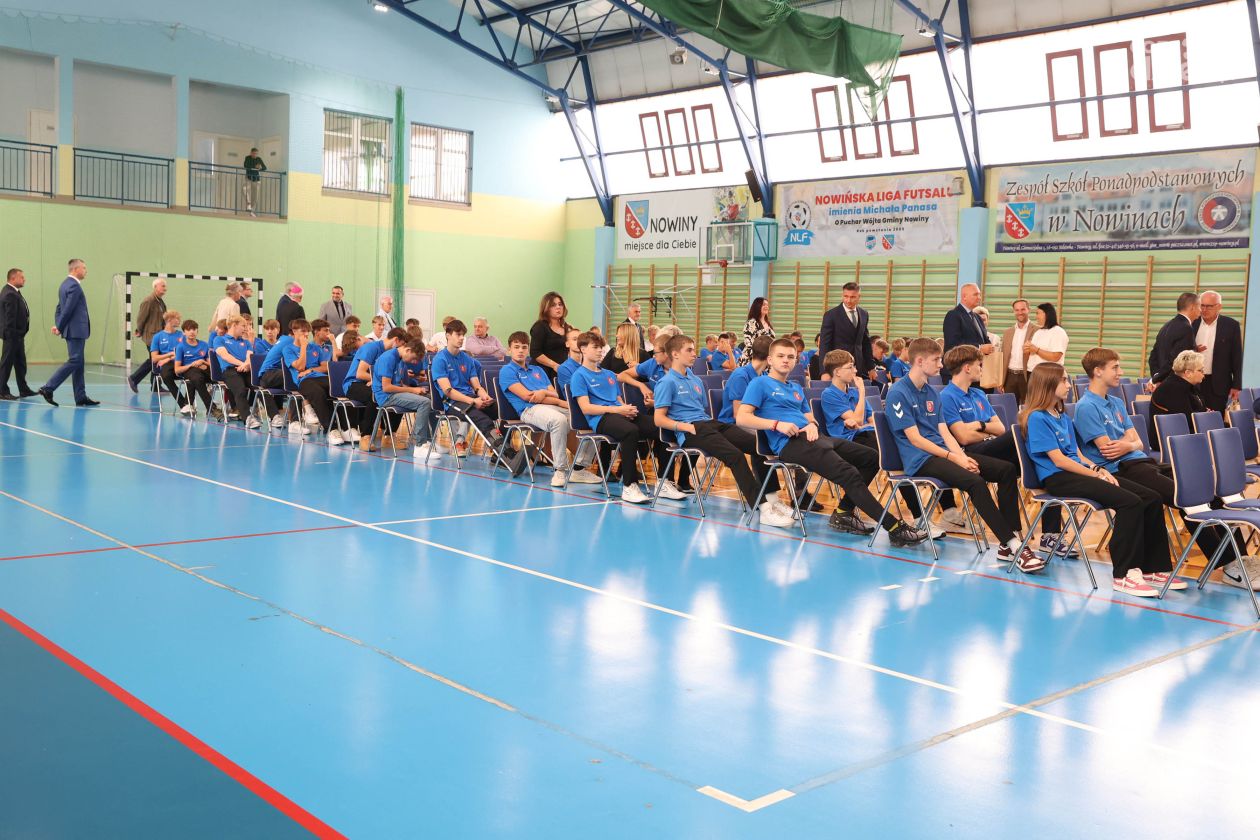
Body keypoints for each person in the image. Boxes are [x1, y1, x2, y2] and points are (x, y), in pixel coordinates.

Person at [1076, 346, 1248, 589]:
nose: (1120, 372)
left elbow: (1138, 441)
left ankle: (1242, 558)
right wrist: (1130, 442)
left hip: (1141, 461)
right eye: (1115, 368)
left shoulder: (1115, 402)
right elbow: (1108, 449)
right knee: (1187, 497)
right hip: (1121, 467)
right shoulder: (1086, 406)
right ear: (1097, 371)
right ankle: (1230, 565)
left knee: (1207, 487)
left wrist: (1129, 444)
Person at [736, 339, 926, 544]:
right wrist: (776, 425)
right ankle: (894, 528)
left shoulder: (796, 387)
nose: (786, 360)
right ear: (770, 359)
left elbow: (810, 418)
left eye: (790, 357)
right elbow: (742, 418)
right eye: (780, 356)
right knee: (849, 474)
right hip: (789, 443)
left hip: (815, 437)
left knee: (872, 458)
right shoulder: (759, 383)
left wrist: (812, 425)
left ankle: (844, 512)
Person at [1021, 363, 1173, 596]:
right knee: (1130, 502)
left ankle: (1152, 568)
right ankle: (1124, 574)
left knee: (1151, 497)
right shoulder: (1037, 418)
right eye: (1063, 380)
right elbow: (1060, 461)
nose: (1068, 385)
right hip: (1059, 478)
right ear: (1047, 384)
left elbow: (1077, 453)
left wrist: (1097, 468)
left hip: (1079, 472)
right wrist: (1096, 475)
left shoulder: (1062, 416)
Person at [885, 338, 1034, 568]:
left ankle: (1009, 540)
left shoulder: (931, 392)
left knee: (1006, 470)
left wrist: (962, 457)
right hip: (920, 458)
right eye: (936, 360)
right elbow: (915, 439)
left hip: (945, 454)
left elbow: (944, 433)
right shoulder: (898, 392)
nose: (941, 364)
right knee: (975, 482)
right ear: (920, 361)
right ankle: (1014, 545)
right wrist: (954, 458)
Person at [653, 334, 792, 527]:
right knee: (735, 456)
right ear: (675, 354)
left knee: (759, 446)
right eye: (689, 350)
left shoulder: (695, 380)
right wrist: (684, 427)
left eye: (693, 349)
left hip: (708, 423)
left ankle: (772, 499)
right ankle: (763, 508)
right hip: (690, 429)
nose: (694, 354)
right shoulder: (666, 382)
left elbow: (701, 409)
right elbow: (658, 419)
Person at [819, 349, 937, 537]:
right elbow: (858, 420)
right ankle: (918, 518)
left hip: (866, 435)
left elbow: (871, 420)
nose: (855, 371)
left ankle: (845, 510)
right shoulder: (829, 394)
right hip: (846, 441)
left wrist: (861, 418)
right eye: (850, 367)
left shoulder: (852, 392)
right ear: (837, 372)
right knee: (890, 459)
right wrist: (862, 392)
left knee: (899, 456)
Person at [570, 331, 680, 504]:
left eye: (601, 347)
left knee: (662, 425)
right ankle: (629, 486)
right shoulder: (579, 375)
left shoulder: (608, 374)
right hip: (601, 419)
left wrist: (626, 408)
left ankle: (664, 482)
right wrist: (618, 410)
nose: (600, 351)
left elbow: (618, 399)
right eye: (595, 347)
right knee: (630, 431)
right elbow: (586, 407)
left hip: (619, 412)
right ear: (583, 349)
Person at [500, 331, 599, 486]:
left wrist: (543, 393)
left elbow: (554, 393)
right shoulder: (507, 371)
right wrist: (554, 400)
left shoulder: (538, 370)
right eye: (516, 347)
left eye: (524, 347)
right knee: (558, 420)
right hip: (529, 410)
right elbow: (528, 397)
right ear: (509, 350)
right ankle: (560, 470)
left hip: (551, 406)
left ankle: (579, 469)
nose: (520, 351)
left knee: (591, 417)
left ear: (528, 350)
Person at [431, 319, 516, 465]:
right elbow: (448, 391)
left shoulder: (467, 359)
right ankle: (507, 455)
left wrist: (484, 396)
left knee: (504, 411)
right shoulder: (440, 359)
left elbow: (477, 386)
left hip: (471, 398)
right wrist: (472, 401)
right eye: (458, 334)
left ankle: (499, 455)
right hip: (452, 402)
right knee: (484, 420)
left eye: (463, 335)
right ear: (448, 335)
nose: (461, 338)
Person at [39, 258, 97, 407]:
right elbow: (68, 309)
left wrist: (58, 325)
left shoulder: (64, 285)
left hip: (72, 330)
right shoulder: (74, 286)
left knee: (79, 363)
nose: (86, 271)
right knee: (75, 360)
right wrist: (59, 326)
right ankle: (48, 388)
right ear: (75, 269)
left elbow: (59, 308)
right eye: (84, 268)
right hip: (76, 330)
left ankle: (80, 397)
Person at [283, 318, 347, 445]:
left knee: (342, 387)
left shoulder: (315, 348)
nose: (306, 334)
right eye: (303, 331)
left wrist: (311, 369)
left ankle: (347, 429)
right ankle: (331, 430)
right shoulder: (288, 349)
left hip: (319, 376)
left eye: (307, 331)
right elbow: (300, 367)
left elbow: (325, 366)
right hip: (303, 380)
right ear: (294, 332)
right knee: (318, 392)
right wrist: (303, 347)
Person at [369, 338, 436, 458]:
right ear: (408, 350)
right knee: (424, 403)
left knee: (432, 400)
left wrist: (416, 391)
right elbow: (387, 387)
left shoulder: (400, 360)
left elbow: (399, 384)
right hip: (386, 396)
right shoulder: (388, 358)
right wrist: (413, 390)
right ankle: (419, 445)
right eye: (414, 358)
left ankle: (429, 441)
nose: (414, 362)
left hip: (395, 393)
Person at [345, 327, 408, 451]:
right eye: (402, 345)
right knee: (375, 395)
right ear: (395, 340)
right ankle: (366, 437)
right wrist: (377, 381)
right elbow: (360, 373)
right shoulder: (371, 348)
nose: (402, 349)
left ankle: (389, 436)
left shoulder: (394, 355)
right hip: (354, 384)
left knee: (397, 393)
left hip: (374, 384)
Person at [1193, 290, 1243, 412]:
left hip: (1218, 384)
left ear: (1219, 307)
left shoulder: (1231, 325)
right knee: (1193, 417)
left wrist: (1236, 385)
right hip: (1193, 381)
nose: (1204, 309)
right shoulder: (1192, 322)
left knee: (1215, 418)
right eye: (1202, 305)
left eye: (1209, 306)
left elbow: (1237, 357)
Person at [819, 282, 873, 381]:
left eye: (852, 297)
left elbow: (865, 342)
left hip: (858, 367)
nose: (848, 300)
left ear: (859, 297)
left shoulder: (864, 314)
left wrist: (871, 367)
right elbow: (824, 345)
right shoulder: (831, 315)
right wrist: (824, 371)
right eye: (846, 296)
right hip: (838, 367)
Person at [215, 316, 260, 428]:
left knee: (260, 386)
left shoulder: (246, 342)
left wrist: (246, 365)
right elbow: (225, 356)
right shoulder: (219, 339)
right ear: (234, 325)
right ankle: (248, 418)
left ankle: (274, 416)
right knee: (240, 389)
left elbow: (250, 356)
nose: (245, 328)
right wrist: (241, 364)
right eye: (243, 326)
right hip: (230, 371)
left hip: (246, 369)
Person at [1148, 292, 1200, 387]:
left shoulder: (1166, 325)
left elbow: (1153, 356)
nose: (1201, 310)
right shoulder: (1186, 328)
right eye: (1199, 306)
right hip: (1176, 384)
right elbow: (1176, 360)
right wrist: (1157, 378)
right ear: (1192, 307)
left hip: (1164, 382)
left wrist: (1157, 376)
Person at [1151, 349, 1209, 434]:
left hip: (1185, 433)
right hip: (1171, 436)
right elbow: (1186, 420)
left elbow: (1199, 410)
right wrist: (1206, 416)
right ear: (1188, 373)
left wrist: (1206, 414)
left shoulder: (1188, 385)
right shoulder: (1172, 389)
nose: (1203, 375)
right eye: (1200, 370)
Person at [126, 277, 167, 393]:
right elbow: (141, 318)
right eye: (163, 286)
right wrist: (139, 330)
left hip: (159, 336)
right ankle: (134, 378)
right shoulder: (148, 301)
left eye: (165, 286)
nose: (165, 288)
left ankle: (155, 385)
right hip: (151, 336)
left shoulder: (160, 302)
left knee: (156, 360)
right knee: (154, 359)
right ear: (155, 287)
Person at [718, 336, 770, 423]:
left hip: (756, 421)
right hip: (732, 424)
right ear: (770, 357)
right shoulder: (740, 376)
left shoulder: (765, 375)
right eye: (779, 356)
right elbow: (738, 415)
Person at [0, 267, 33, 400]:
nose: (24, 279)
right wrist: (12, 335)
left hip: (17, 336)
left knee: (20, 363)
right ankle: (2, 391)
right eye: (21, 277)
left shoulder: (13, 292)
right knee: (6, 364)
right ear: (13, 278)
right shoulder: (10, 294)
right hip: (12, 336)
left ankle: (23, 389)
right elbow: (10, 318)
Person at [172, 319, 214, 417]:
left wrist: (202, 362)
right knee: (196, 377)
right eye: (188, 330)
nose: (192, 332)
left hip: (204, 372)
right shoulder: (181, 347)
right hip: (190, 372)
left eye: (194, 329)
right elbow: (177, 370)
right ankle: (212, 408)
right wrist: (191, 365)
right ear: (184, 332)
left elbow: (211, 364)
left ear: (197, 331)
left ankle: (189, 404)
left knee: (198, 378)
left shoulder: (204, 345)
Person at [999, 298, 1037, 403]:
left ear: (1029, 310)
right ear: (1014, 311)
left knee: (1028, 408)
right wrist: (1001, 380)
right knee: (1009, 408)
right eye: (1017, 310)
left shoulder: (1038, 330)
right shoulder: (1007, 332)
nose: (1020, 312)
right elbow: (1003, 357)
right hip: (1010, 377)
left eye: (1023, 309)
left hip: (1028, 376)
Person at [942, 283, 994, 356]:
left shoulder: (977, 317)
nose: (979, 297)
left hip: (978, 361)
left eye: (979, 295)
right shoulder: (953, 315)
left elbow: (984, 340)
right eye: (975, 295)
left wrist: (990, 347)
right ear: (964, 297)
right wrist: (979, 348)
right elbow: (953, 344)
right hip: (959, 362)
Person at [530, 291, 571, 379]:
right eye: (553, 305)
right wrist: (554, 365)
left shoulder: (568, 327)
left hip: (561, 371)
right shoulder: (540, 327)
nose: (558, 307)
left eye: (560, 304)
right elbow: (535, 352)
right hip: (542, 372)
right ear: (546, 308)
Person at [149, 310, 184, 406]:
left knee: (194, 376)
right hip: (167, 366)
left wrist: (168, 358)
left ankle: (191, 402)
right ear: (169, 320)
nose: (179, 321)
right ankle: (183, 404)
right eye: (177, 319)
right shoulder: (158, 337)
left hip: (180, 363)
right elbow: (154, 358)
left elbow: (184, 353)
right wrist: (170, 355)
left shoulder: (182, 335)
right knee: (166, 376)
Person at [1025, 303, 1067, 373]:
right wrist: (1027, 349)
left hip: (1048, 374)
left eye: (1037, 313)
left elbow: (1055, 357)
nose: (1036, 317)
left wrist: (1036, 350)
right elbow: (1032, 352)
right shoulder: (1038, 332)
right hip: (1033, 372)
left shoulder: (1058, 331)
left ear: (1046, 314)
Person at [973, 307, 1003, 392]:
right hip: (971, 376)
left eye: (983, 320)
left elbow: (996, 361)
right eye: (978, 320)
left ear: (987, 321)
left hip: (988, 377)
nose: (981, 322)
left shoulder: (994, 338)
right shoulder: (968, 339)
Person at [740, 297, 775, 365]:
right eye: (763, 305)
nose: (766, 307)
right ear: (757, 306)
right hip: (752, 359)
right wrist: (758, 359)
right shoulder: (751, 322)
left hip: (765, 359)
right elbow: (749, 343)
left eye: (767, 305)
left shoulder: (768, 323)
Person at [555, 327, 584, 395]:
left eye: (581, 339)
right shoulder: (564, 368)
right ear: (567, 344)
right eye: (575, 339)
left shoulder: (592, 364)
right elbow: (575, 393)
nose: (579, 342)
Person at [243, 147, 266, 215]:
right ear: (251, 153)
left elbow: (264, 168)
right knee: (244, 189)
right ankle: (248, 203)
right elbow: (245, 165)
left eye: (256, 153)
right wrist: (255, 167)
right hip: (248, 178)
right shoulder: (247, 158)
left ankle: (252, 211)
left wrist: (259, 168)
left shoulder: (259, 159)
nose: (255, 155)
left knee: (255, 197)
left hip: (256, 179)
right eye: (254, 153)